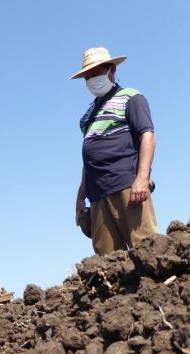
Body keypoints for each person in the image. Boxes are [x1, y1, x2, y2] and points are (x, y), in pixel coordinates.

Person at [71, 47, 158, 254]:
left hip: (128, 186)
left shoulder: (131, 97)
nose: (92, 79)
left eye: (97, 73)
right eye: (88, 76)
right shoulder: (87, 116)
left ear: (111, 70)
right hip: (98, 195)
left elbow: (148, 137)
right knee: (108, 260)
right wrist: (80, 196)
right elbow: (88, 160)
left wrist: (142, 178)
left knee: (146, 251)